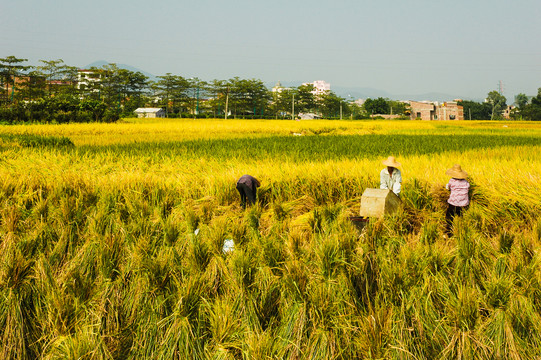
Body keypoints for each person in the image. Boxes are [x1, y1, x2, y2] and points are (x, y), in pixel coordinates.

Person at [445, 164, 470, 236]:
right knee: (460, 216)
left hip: (454, 202)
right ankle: (461, 230)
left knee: (449, 216)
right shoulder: (466, 182)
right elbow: (467, 189)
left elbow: (448, 188)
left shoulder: (452, 181)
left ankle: (449, 231)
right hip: (464, 203)